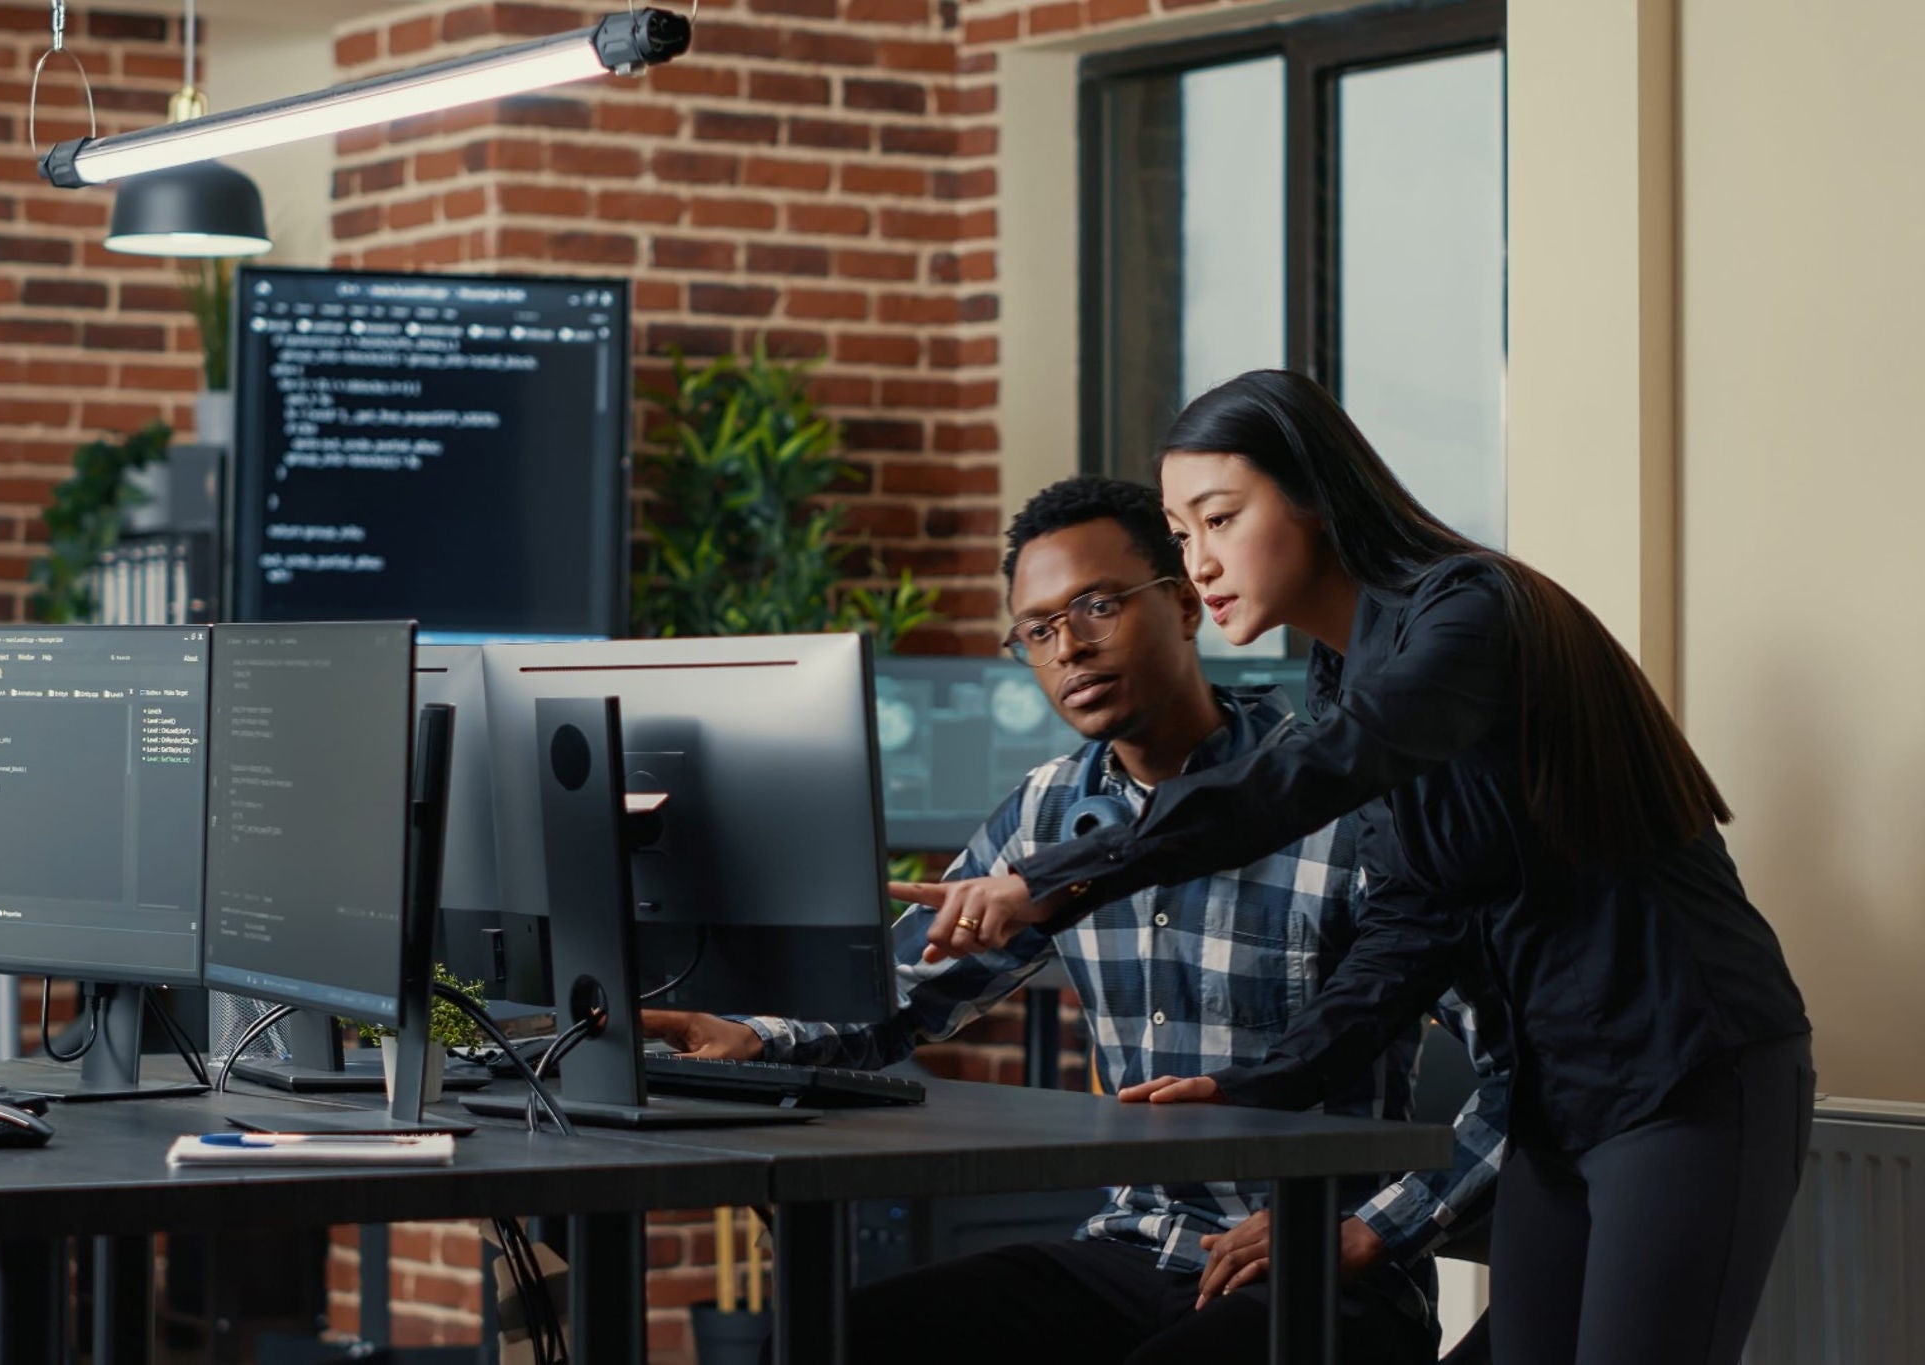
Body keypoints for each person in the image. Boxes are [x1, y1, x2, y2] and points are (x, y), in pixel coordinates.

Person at [909, 372, 1813, 1365]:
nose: (1198, 564)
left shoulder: (1469, 615)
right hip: (1554, 1104)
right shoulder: (1352, 669)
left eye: (1218, 519)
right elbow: (1411, 925)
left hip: (1686, 1067)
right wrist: (1267, 1081)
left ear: (1315, 495)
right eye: (1179, 535)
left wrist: (1053, 876)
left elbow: (1298, 780)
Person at [644, 476, 1506, 1365]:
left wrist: (1371, 1231)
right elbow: (899, 1001)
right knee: (831, 1340)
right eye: (1040, 630)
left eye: (1097, 606)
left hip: (1325, 1275)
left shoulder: (1340, 798)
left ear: (1183, 603)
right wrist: (750, 1039)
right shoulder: (1048, 813)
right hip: (1135, 1248)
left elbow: (1518, 1070)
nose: (1070, 649)